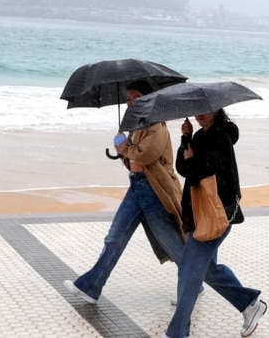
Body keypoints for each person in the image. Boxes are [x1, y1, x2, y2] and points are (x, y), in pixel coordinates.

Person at [63, 80, 187, 303]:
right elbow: (133, 157)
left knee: (172, 244)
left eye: (135, 97)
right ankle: (90, 288)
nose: (130, 102)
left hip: (153, 191)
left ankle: (194, 284)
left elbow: (144, 155)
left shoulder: (156, 124)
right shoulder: (138, 124)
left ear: (148, 98)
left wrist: (122, 145)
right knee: (114, 238)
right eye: (128, 98)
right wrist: (124, 146)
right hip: (137, 186)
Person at [165, 108, 267, 338]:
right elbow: (183, 169)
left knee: (190, 271)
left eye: (205, 110)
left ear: (217, 110)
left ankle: (177, 332)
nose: (200, 114)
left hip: (217, 213)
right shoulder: (201, 135)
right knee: (207, 270)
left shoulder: (220, 136)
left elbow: (206, 171)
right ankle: (250, 304)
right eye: (197, 110)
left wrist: (192, 161)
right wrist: (186, 139)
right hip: (203, 213)